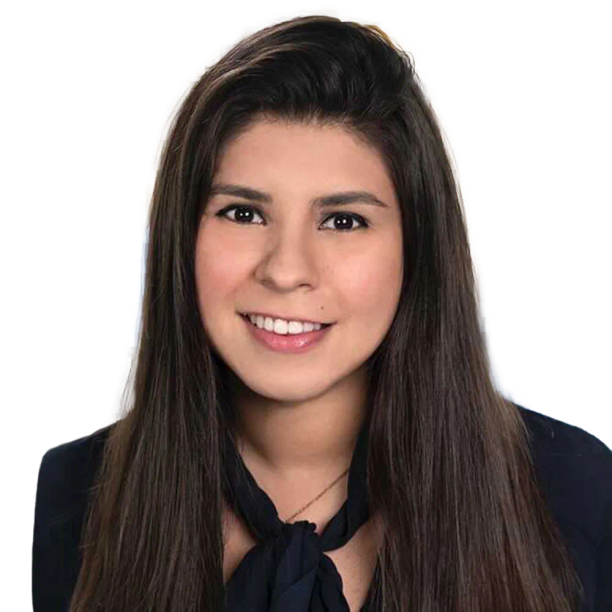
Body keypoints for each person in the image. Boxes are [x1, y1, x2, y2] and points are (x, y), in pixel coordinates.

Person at [32, 7, 611, 612]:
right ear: (181, 236)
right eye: (243, 213)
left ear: (418, 248)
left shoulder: (570, 489)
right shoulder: (74, 497)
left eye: (343, 221)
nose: (286, 271)